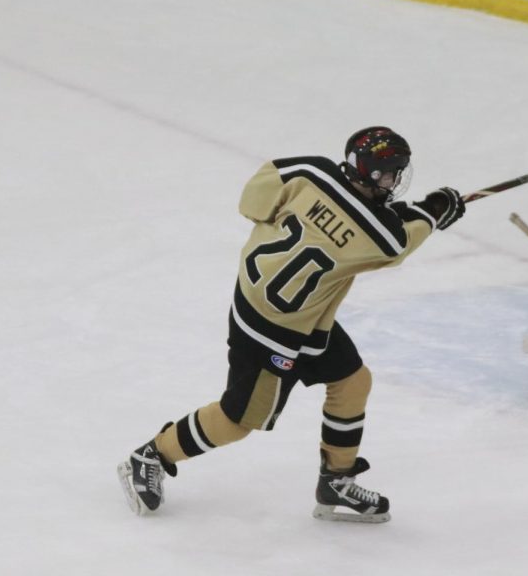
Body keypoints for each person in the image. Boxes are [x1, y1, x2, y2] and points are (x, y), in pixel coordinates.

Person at [118, 126, 465, 523]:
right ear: (369, 173)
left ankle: (335, 481)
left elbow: (255, 198)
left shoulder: (308, 173)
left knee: (353, 382)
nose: (395, 180)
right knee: (237, 421)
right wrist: (433, 211)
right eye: (390, 173)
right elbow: (396, 241)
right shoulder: (381, 235)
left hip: (283, 311)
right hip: (272, 335)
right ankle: (151, 455)